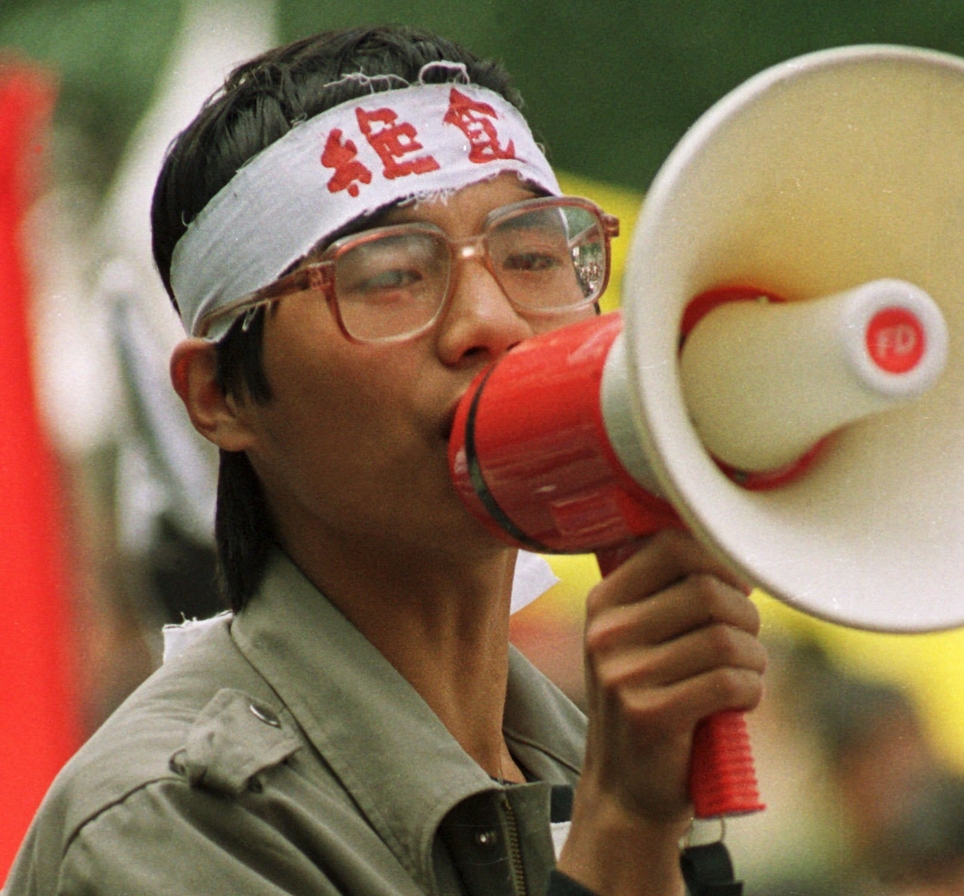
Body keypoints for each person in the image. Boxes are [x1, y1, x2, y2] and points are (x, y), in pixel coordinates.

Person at [4, 24, 767, 896]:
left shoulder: (584, 749)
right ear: (220, 395)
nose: (491, 323)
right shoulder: (164, 820)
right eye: (390, 275)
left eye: (532, 258)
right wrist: (624, 832)